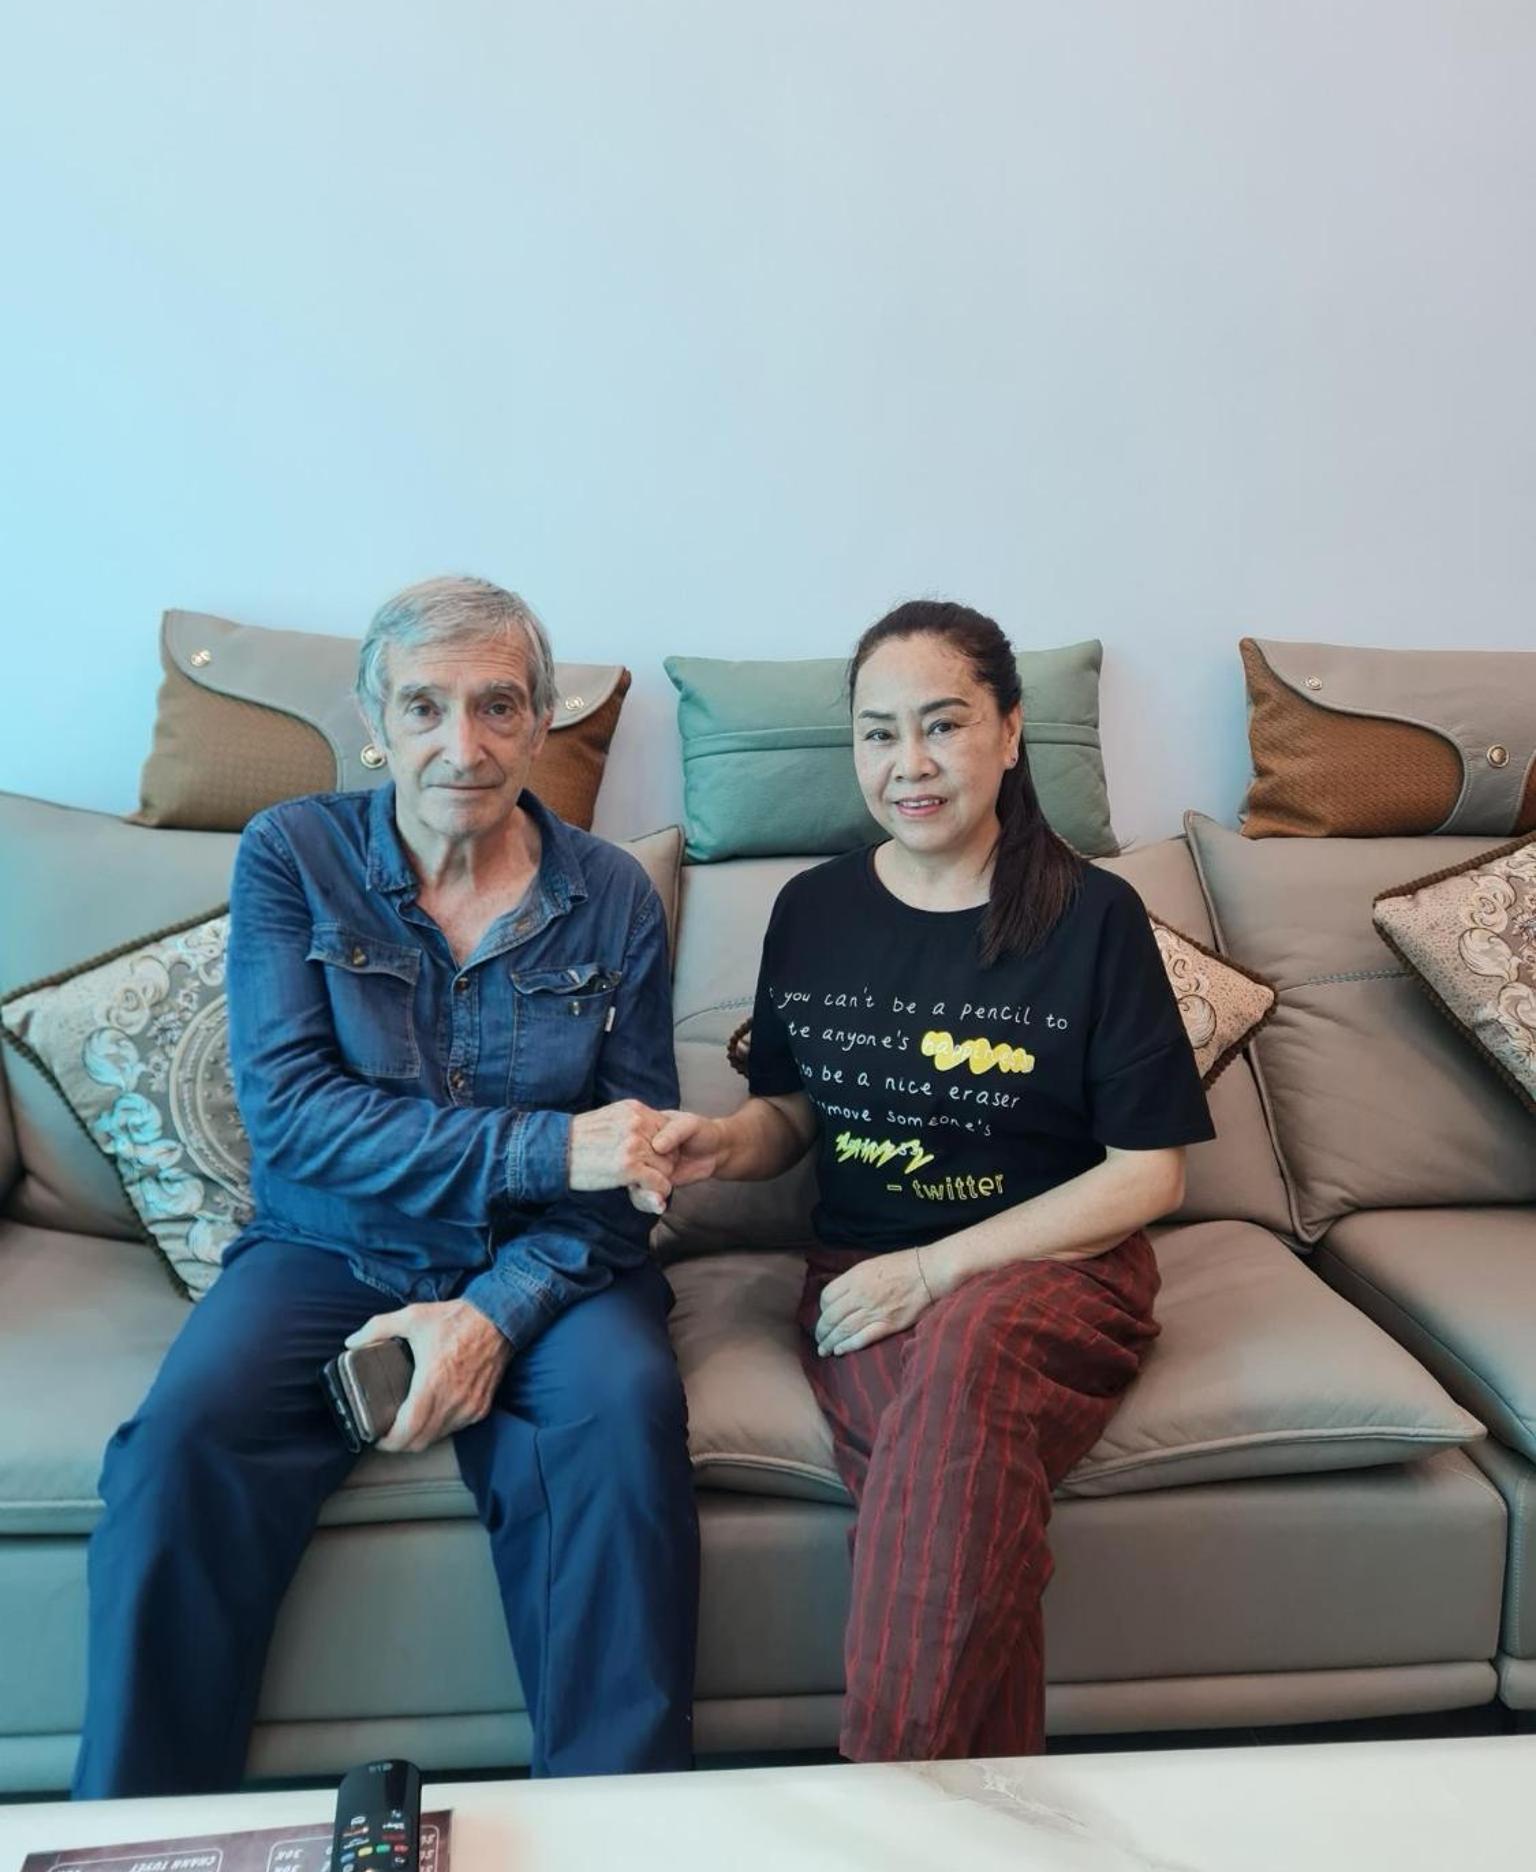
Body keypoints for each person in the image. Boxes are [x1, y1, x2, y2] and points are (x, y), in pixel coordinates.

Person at [73, 576, 697, 1795]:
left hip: (550, 1259)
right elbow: (295, 1121)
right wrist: (545, 1146)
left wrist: (491, 1314)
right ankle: (137, 1843)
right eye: (424, 706)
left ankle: (616, 1830)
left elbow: (626, 1167)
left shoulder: (612, 892)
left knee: (622, 1420)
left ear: (540, 719)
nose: (462, 746)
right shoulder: (292, 854)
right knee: (176, 1452)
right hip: (328, 1244)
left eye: (497, 705)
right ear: (375, 718)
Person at [653, 598, 1214, 1761]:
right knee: (953, 1479)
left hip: (1058, 1268)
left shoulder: (1095, 916)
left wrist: (933, 1269)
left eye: (942, 724)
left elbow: (1148, 1174)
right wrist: (720, 1144)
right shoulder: (814, 909)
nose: (907, 762)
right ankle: (972, 1828)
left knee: (967, 1352)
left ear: (1010, 731)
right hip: (858, 1272)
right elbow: (793, 1114)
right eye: (878, 732)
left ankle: (885, 1792)